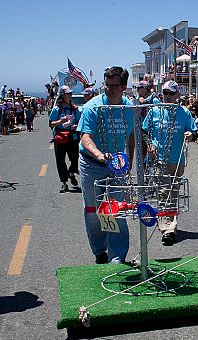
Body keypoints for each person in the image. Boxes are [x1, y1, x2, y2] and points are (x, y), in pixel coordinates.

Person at [77, 66, 135, 264]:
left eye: (114, 85)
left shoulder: (129, 108)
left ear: (124, 87)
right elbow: (85, 137)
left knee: (116, 209)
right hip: (91, 163)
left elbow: (133, 136)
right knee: (93, 210)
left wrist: (130, 161)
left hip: (116, 165)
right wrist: (100, 155)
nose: (109, 89)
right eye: (107, 85)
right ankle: (99, 251)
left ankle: (117, 256)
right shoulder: (93, 107)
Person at [143, 81, 196, 245]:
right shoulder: (155, 110)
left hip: (178, 158)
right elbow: (145, 130)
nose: (167, 96)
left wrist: (189, 135)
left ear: (177, 95)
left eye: (171, 93)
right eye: (165, 92)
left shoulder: (184, 112)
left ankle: (168, 224)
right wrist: (150, 144)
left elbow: (192, 131)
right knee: (164, 191)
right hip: (160, 157)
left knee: (173, 191)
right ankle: (168, 228)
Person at [49, 86, 81, 193]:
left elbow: (79, 121)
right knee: (60, 160)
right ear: (62, 95)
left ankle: (71, 173)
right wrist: (60, 121)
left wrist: (76, 126)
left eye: (70, 93)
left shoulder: (74, 108)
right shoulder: (57, 109)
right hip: (60, 136)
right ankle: (64, 183)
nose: (70, 95)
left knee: (75, 158)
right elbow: (51, 124)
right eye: (67, 94)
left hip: (72, 135)